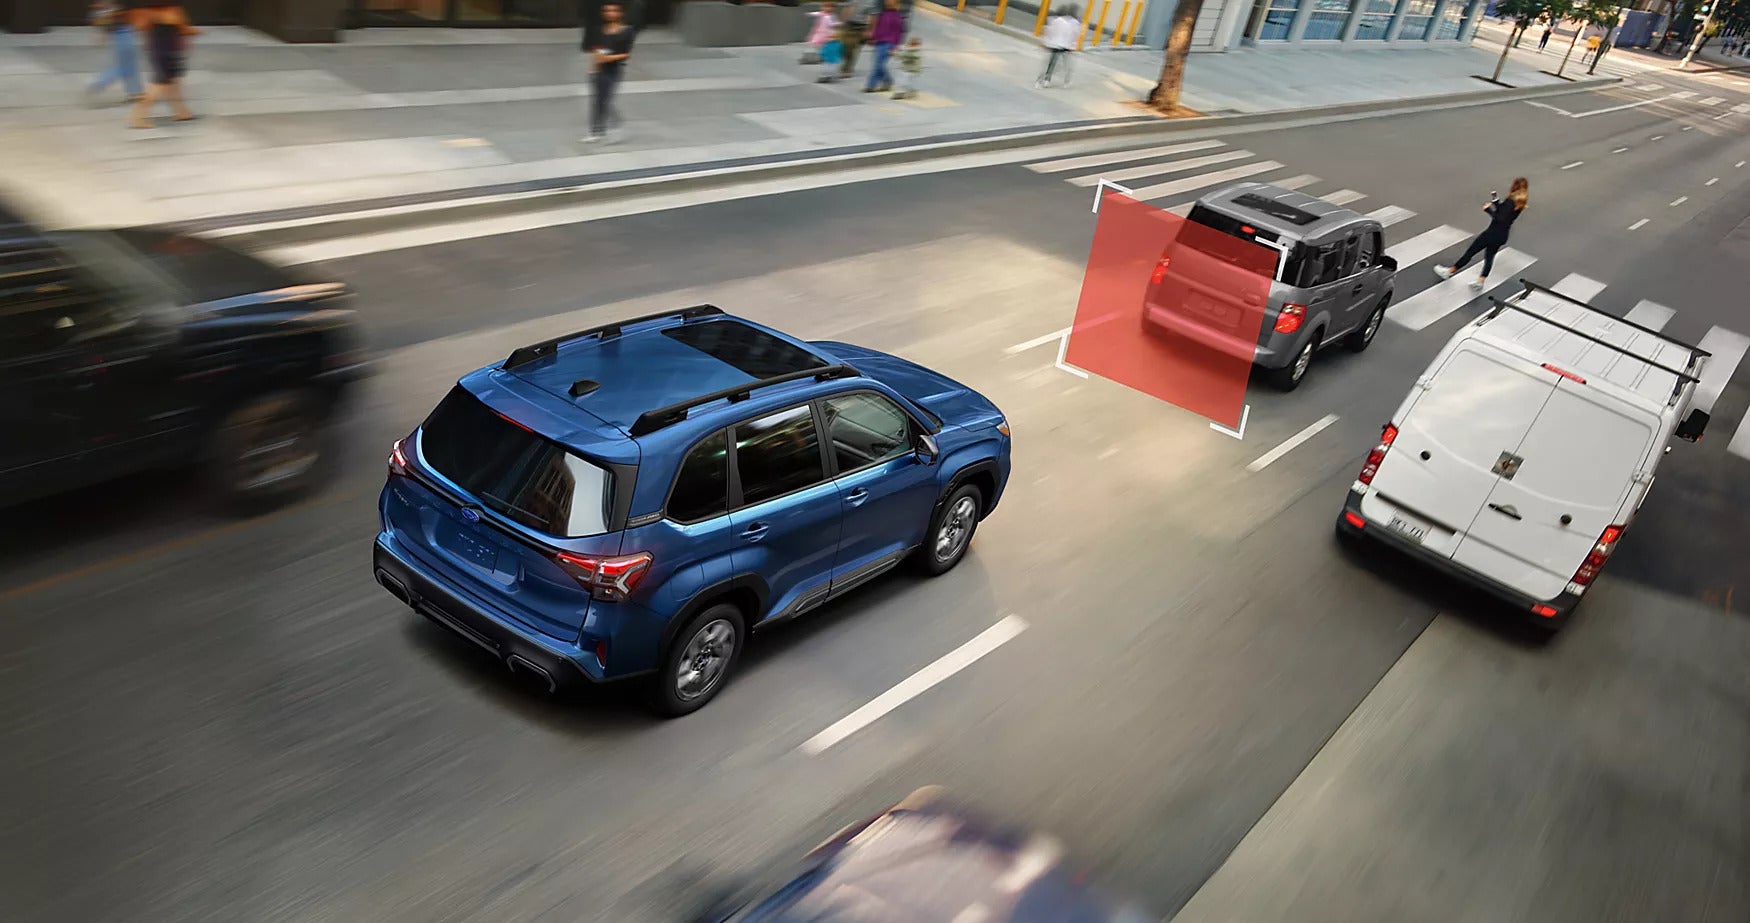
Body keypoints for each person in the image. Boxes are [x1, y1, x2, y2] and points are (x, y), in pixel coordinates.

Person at [1435, 178, 1529, 291]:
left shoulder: (1511, 200)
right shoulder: (1520, 203)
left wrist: (1488, 210)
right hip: (1502, 235)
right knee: (1489, 257)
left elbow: (1499, 218)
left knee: (1470, 252)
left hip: (1492, 233)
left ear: (1515, 186)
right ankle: (1480, 281)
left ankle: (1449, 272)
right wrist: (1496, 202)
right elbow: (1503, 213)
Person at [129, 4, 199, 129]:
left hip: (158, 51)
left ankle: (181, 112)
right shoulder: (173, 11)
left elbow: (141, 29)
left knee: (173, 83)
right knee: (159, 85)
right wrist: (194, 31)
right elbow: (184, 29)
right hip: (166, 52)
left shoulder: (146, 11)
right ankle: (138, 117)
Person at [583, 2, 636, 144]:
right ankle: (595, 132)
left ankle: (617, 126)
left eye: (613, 10)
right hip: (598, 70)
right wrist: (593, 68)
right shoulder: (599, 30)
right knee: (596, 101)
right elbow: (596, 50)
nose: (610, 13)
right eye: (607, 11)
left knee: (606, 101)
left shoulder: (627, 31)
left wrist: (608, 58)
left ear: (620, 13)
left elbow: (626, 54)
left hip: (613, 70)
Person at [88, 1, 142, 104]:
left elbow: (101, 31)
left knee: (130, 67)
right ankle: (100, 83)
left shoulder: (104, 12)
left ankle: (135, 93)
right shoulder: (111, 11)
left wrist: (101, 35)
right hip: (123, 38)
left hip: (122, 37)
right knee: (126, 68)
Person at [864, 0, 906, 93]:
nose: (888, 2)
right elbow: (878, 27)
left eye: (891, 1)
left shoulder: (898, 17)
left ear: (896, 4)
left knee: (878, 65)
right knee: (878, 64)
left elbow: (898, 34)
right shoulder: (882, 14)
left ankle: (871, 85)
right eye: (887, 1)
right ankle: (887, 81)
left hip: (889, 43)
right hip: (879, 42)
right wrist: (872, 38)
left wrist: (895, 47)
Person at [1038, 6, 1080, 88]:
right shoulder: (1073, 23)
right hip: (1066, 46)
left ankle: (1047, 80)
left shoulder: (1054, 20)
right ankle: (1066, 81)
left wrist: (1045, 42)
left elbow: (1049, 31)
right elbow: (1074, 35)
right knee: (1067, 64)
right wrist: (1073, 46)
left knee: (1052, 63)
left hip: (1055, 44)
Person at [808, 1, 842, 82]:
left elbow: (832, 25)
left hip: (831, 39)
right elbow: (817, 14)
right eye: (825, 6)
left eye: (830, 7)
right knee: (827, 58)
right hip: (824, 39)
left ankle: (827, 75)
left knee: (829, 59)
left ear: (834, 8)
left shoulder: (831, 16)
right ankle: (829, 74)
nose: (828, 8)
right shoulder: (824, 15)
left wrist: (838, 24)